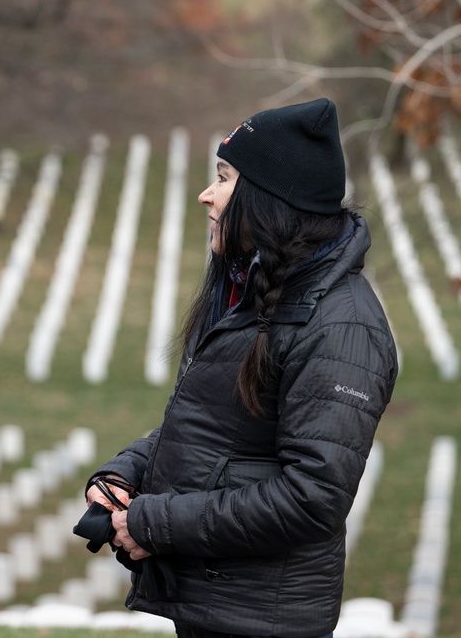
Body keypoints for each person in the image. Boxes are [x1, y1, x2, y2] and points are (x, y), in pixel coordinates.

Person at [83, 98, 397, 638]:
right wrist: (125, 473)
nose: (207, 194)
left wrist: (154, 523)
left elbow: (312, 496)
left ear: (271, 198)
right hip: (218, 603)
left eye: (225, 178)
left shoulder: (342, 325)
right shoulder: (256, 293)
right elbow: (216, 424)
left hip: (262, 617)